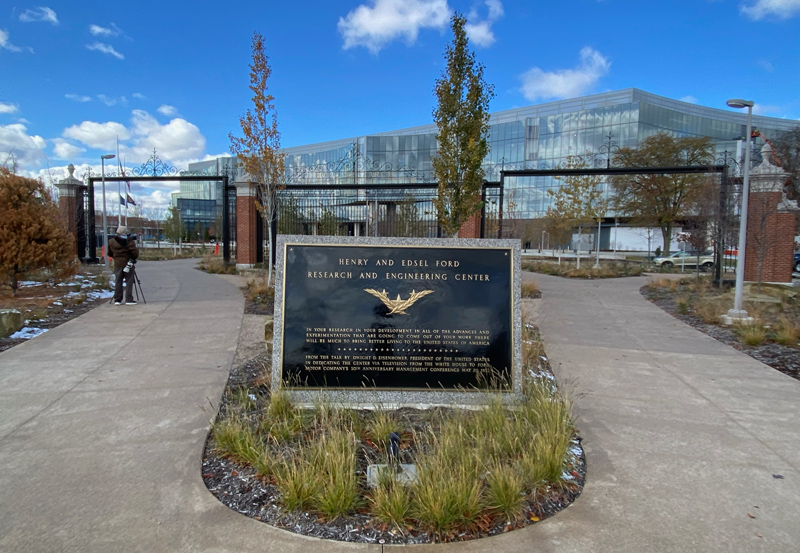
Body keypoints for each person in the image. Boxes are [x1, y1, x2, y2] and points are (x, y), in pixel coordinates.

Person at [107, 226, 140, 305]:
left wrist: (116, 256)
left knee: (118, 281)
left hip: (118, 264)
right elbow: (135, 252)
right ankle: (129, 299)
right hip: (128, 263)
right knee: (129, 281)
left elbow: (109, 253)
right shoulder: (129, 241)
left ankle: (117, 299)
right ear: (125, 232)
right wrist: (132, 258)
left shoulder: (111, 241)